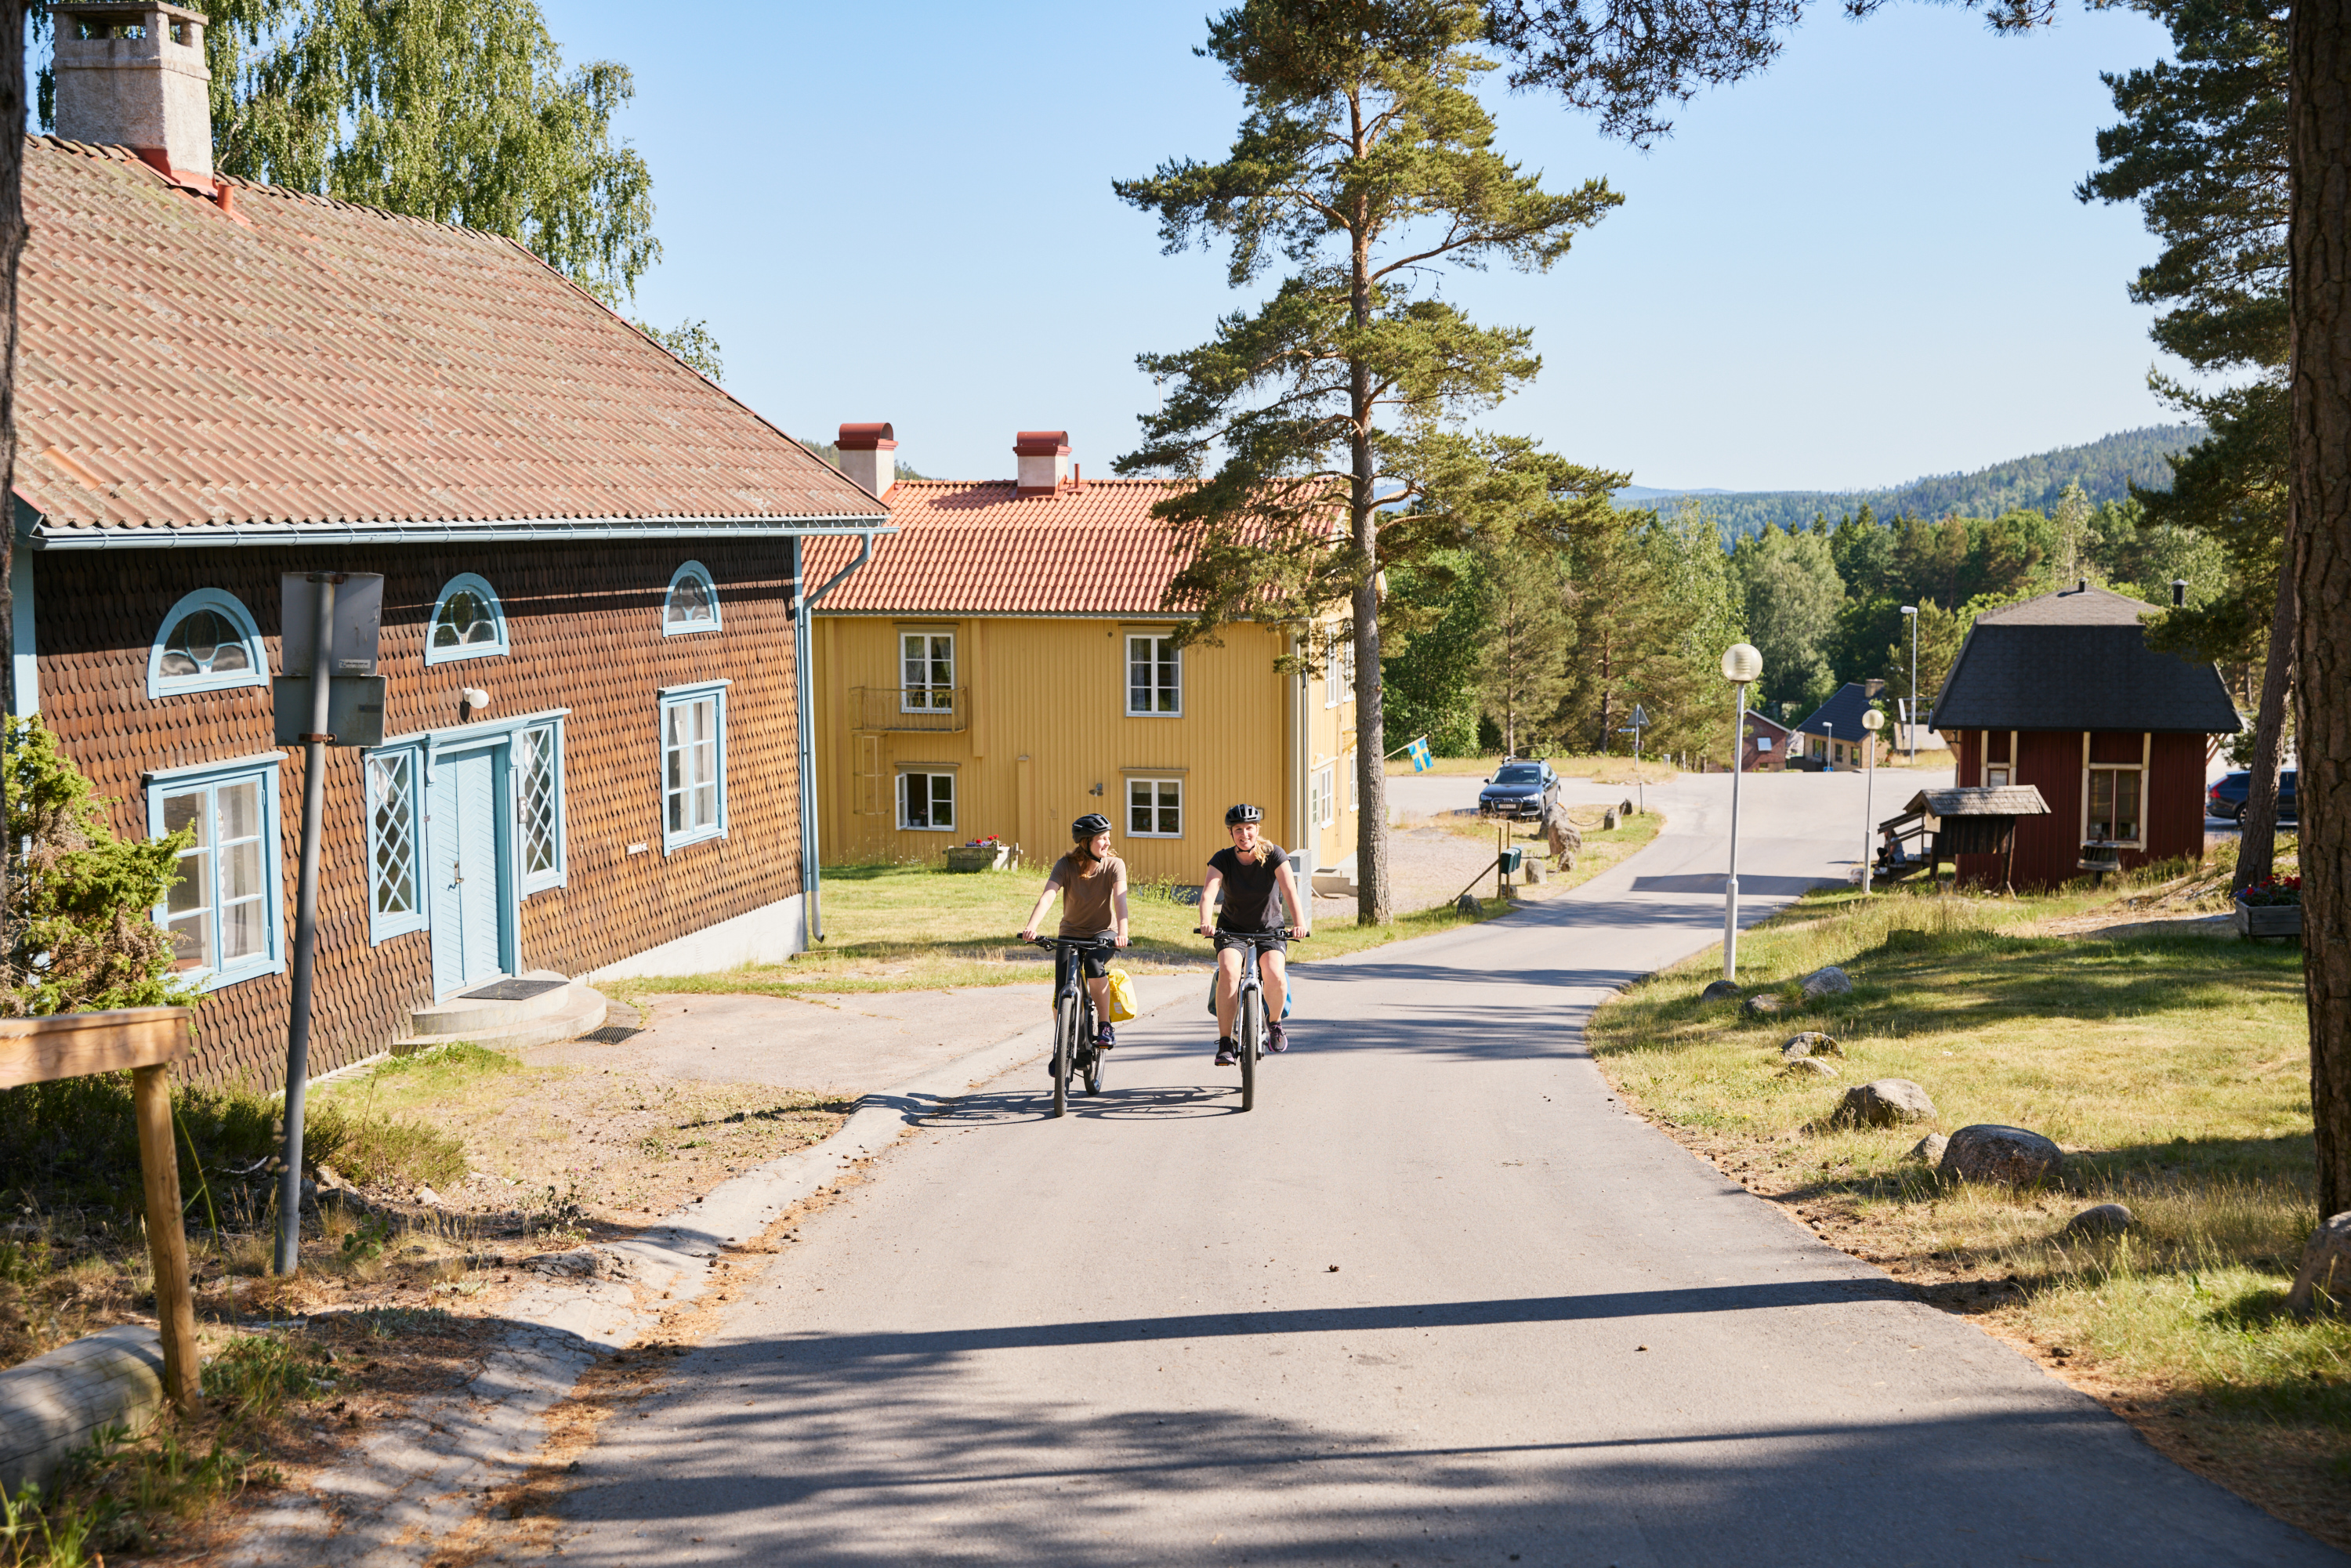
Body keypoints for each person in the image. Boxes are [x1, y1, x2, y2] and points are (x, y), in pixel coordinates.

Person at [1199, 803, 1310, 1066]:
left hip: (1269, 928)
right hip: (1232, 929)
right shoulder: (1223, 859)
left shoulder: (1274, 855)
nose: (1245, 834)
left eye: (1250, 828)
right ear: (1231, 833)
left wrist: (1300, 924)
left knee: (1273, 972)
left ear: (1257, 829)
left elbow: (1290, 891)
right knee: (1228, 971)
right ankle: (1226, 1041)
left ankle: (1275, 1024)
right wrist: (1206, 922)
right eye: (1239, 829)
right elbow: (1208, 894)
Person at [1020, 813, 1130, 1059]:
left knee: (1093, 963)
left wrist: (1122, 933)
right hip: (1070, 932)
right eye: (1102, 838)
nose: (1108, 843)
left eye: (1108, 838)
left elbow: (1120, 900)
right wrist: (1032, 927)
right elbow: (1048, 895)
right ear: (1086, 842)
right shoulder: (1065, 865)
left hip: (1104, 932)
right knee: (1062, 991)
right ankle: (1064, 1051)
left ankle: (1104, 1026)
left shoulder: (1114, 865)